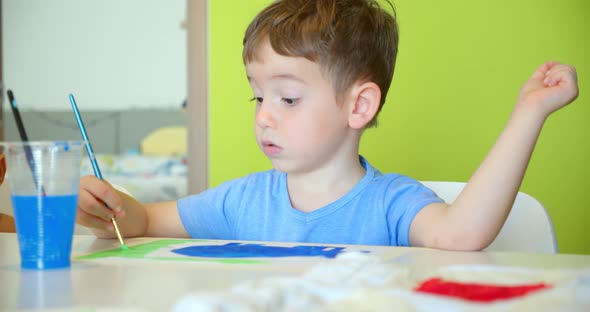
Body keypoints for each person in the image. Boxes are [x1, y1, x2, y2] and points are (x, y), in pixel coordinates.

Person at [76, 0, 578, 250]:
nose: (264, 114)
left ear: (358, 107)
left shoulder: (392, 204)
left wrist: (528, 112)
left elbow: (463, 234)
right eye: (258, 95)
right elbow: (145, 222)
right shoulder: (242, 201)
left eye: (289, 97)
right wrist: (111, 208)